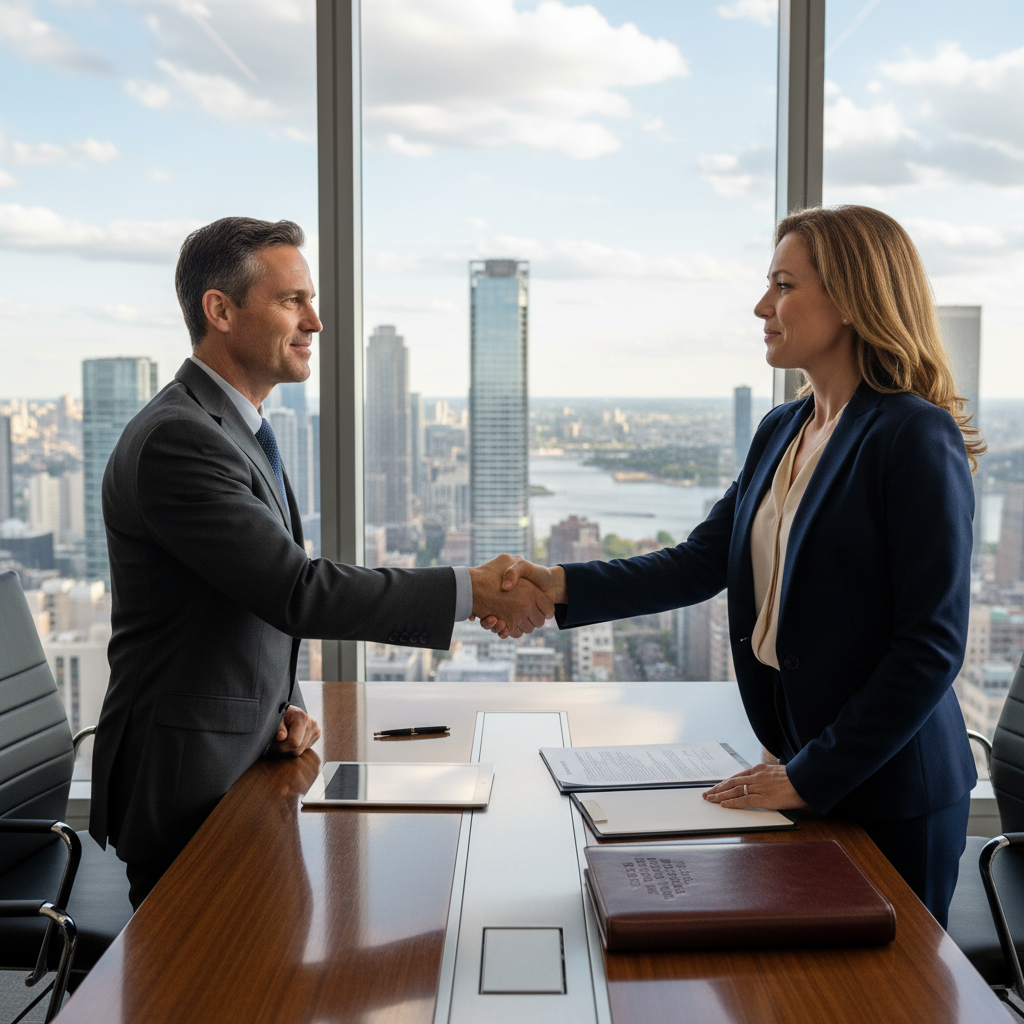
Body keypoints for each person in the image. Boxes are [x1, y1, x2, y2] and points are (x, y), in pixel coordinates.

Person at [489, 205, 983, 928]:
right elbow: (699, 563)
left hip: (886, 792)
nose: (762, 306)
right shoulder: (784, 428)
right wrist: (557, 587)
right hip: (791, 764)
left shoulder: (912, 434)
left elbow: (930, 647)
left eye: (783, 285)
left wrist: (809, 779)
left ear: (850, 300)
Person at [91, 216, 552, 909]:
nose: (316, 321)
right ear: (220, 310)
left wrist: (285, 705)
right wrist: (471, 588)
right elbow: (295, 588)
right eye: (291, 301)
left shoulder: (232, 429)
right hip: (187, 782)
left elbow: (241, 597)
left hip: (240, 760)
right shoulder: (179, 441)